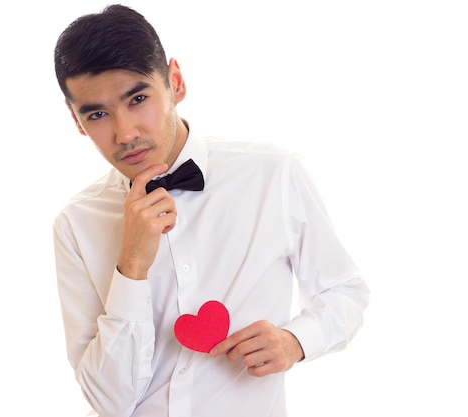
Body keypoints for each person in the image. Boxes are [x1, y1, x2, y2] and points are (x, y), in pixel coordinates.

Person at [52, 4, 369, 417]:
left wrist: (297, 341)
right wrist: (131, 264)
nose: (125, 132)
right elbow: (108, 401)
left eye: (138, 98)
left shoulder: (272, 175)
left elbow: (346, 290)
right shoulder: (76, 224)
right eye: (97, 114)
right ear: (76, 121)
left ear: (176, 82)